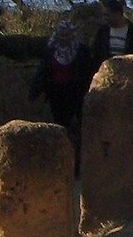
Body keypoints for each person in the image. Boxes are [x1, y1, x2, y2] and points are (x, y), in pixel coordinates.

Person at [29, 19, 95, 160]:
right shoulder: (50, 51)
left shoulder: (82, 51)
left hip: (76, 93)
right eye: (62, 35)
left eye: (67, 35)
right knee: (59, 125)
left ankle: (77, 161)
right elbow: (42, 72)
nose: (65, 38)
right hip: (56, 93)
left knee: (77, 128)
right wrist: (35, 93)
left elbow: (88, 72)